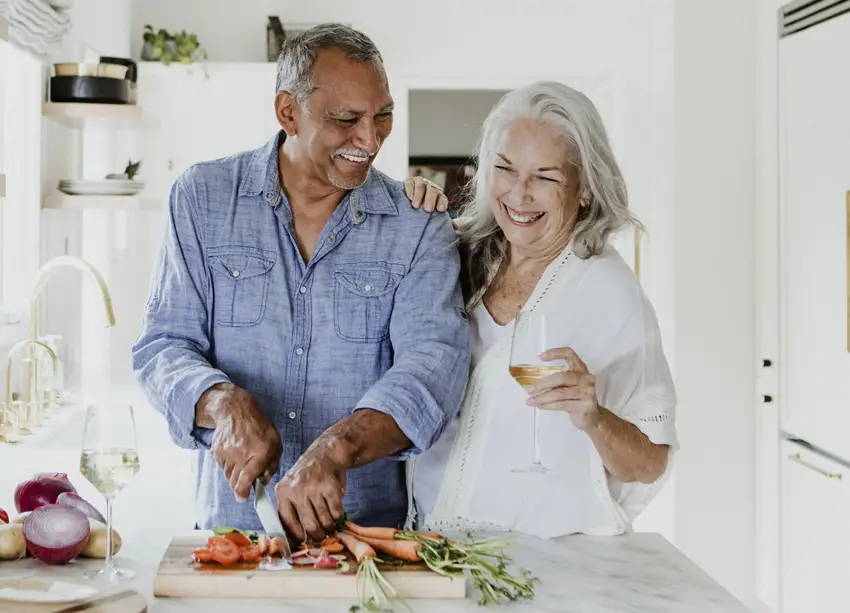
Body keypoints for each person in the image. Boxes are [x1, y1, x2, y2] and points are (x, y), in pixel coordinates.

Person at [132, 23, 469, 542]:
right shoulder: (202, 199)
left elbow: (432, 371)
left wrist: (337, 448)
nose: (370, 139)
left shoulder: (418, 224)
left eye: (383, 115)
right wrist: (222, 402)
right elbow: (162, 346)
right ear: (288, 112)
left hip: (365, 540)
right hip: (231, 535)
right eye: (346, 119)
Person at [403, 82, 678, 538]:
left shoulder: (608, 292)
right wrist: (407, 209)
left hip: (542, 565)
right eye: (506, 169)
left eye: (546, 177)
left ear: (584, 188)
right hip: (429, 545)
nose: (519, 193)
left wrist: (594, 417)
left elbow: (649, 463)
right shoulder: (459, 254)